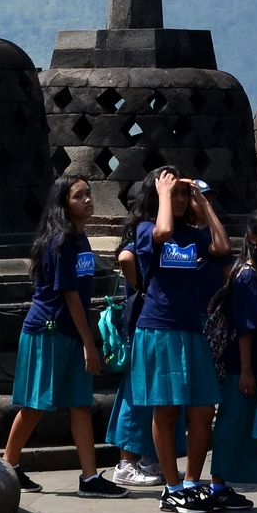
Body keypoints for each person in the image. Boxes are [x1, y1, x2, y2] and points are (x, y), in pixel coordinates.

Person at [2, 177, 128, 499]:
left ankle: (89, 478)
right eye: (79, 196)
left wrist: (85, 339)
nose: (88, 200)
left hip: (72, 332)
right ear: (64, 203)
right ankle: (7, 466)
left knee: (80, 404)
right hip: (50, 331)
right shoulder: (61, 241)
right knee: (35, 404)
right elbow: (70, 295)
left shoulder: (81, 239)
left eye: (89, 194)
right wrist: (90, 343)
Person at [130, 169, 232, 513]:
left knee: (203, 409)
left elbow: (221, 246)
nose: (178, 200)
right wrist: (162, 193)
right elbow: (162, 231)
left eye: (181, 195)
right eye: (172, 193)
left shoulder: (191, 234)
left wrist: (203, 203)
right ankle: (171, 487)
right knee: (167, 408)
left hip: (190, 329)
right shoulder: (146, 230)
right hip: (159, 328)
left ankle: (191, 482)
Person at [205, 208, 257, 508]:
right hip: (242, 363)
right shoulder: (248, 275)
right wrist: (247, 370)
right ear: (253, 237)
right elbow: (245, 328)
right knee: (231, 423)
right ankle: (217, 483)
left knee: (246, 423)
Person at [107, 178, 171, 489]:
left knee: (149, 392)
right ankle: (126, 462)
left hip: (151, 319)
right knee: (137, 392)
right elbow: (125, 257)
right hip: (142, 321)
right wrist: (140, 288)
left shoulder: (142, 227)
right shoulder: (142, 228)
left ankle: (145, 458)